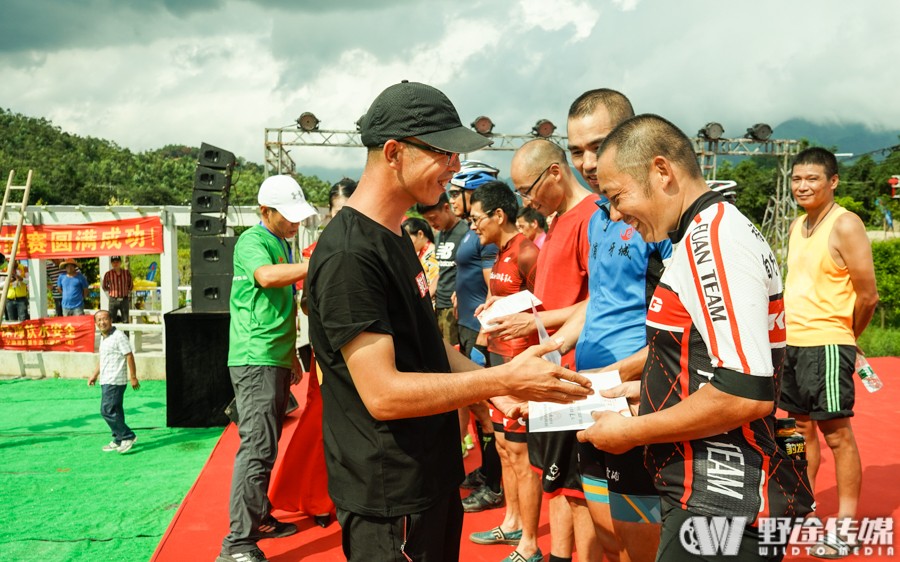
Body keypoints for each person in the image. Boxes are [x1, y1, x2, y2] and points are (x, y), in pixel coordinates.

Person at [306, 80, 593, 562]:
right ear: (394, 152)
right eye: (445, 152)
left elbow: (428, 348)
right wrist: (504, 376)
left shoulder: (393, 237)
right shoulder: (351, 255)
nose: (456, 167)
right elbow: (383, 393)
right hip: (390, 495)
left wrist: (496, 389)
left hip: (429, 480)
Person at [577, 114, 813, 561]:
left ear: (662, 172)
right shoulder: (703, 236)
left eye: (616, 195)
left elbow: (745, 392)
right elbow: (707, 358)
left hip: (721, 501)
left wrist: (632, 431)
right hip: (708, 495)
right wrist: (646, 392)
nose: (614, 213)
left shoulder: (714, 241)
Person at [502, 138, 601, 562]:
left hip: (575, 371)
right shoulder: (559, 221)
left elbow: (600, 299)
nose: (527, 201)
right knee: (554, 480)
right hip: (552, 368)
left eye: (528, 190)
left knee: (577, 489)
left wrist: (543, 329)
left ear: (555, 173)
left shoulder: (592, 217)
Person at [779, 147, 879, 558]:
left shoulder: (846, 225)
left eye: (812, 179)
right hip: (793, 346)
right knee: (798, 433)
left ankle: (846, 526)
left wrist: (846, 338)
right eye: (797, 179)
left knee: (837, 436)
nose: (803, 186)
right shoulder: (796, 224)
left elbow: (868, 295)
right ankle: (804, 508)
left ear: (833, 181)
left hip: (827, 344)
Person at [216, 174, 318, 562]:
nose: (296, 223)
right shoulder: (253, 241)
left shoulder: (281, 243)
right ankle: (236, 543)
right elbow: (266, 277)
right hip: (254, 356)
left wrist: (291, 354)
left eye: (298, 215)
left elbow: (282, 304)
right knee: (256, 448)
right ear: (265, 212)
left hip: (273, 356)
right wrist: (315, 262)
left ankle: (258, 518)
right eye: (288, 216)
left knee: (267, 444)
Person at [467, 181, 543, 557]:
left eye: (477, 218)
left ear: (499, 215)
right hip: (499, 366)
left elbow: (547, 311)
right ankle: (512, 522)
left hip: (519, 368)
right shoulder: (501, 253)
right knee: (502, 447)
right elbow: (515, 298)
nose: (473, 226)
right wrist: (495, 303)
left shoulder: (528, 252)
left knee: (521, 453)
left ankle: (530, 542)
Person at [418, 193, 467, 347]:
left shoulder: (465, 232)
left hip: (456, 305)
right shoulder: (440, 236)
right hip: (440, 304)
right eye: (427, 220)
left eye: (433, 217)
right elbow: (442, 271)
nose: (431, 223)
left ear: (446, 208)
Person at [88, 309, 139, 454]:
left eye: (105, 319)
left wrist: (133, 376)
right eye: (99, 320)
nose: (102, 322)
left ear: (111, 320)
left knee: (106, 411)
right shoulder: (104, 337)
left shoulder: (118, 336)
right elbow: (103, 359)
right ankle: (118, 439)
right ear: (96, 323)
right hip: (106, 379)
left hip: (115, 380)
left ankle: (128, 436)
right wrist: (94, 375)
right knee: (116, 410)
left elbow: (129, 355)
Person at [402, 216, 439, 302]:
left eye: (408, 239)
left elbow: (435, 284)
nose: (406, 244)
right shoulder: (422, 253)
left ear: (420, 234)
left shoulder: (433, 254)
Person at [102, 256, 134, 323]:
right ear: (111, 263)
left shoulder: (126, 273)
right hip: (113, 299)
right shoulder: (108, 274)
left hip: (124, 299)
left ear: (120, 262)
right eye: (113, 262)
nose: (115, 263)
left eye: (117, 262)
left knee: (125, 320)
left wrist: (125, 290)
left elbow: (130, 285)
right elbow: (104, 286)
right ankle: (112, 333)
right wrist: (112, 290)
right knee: (112, 320)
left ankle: (125, 334)